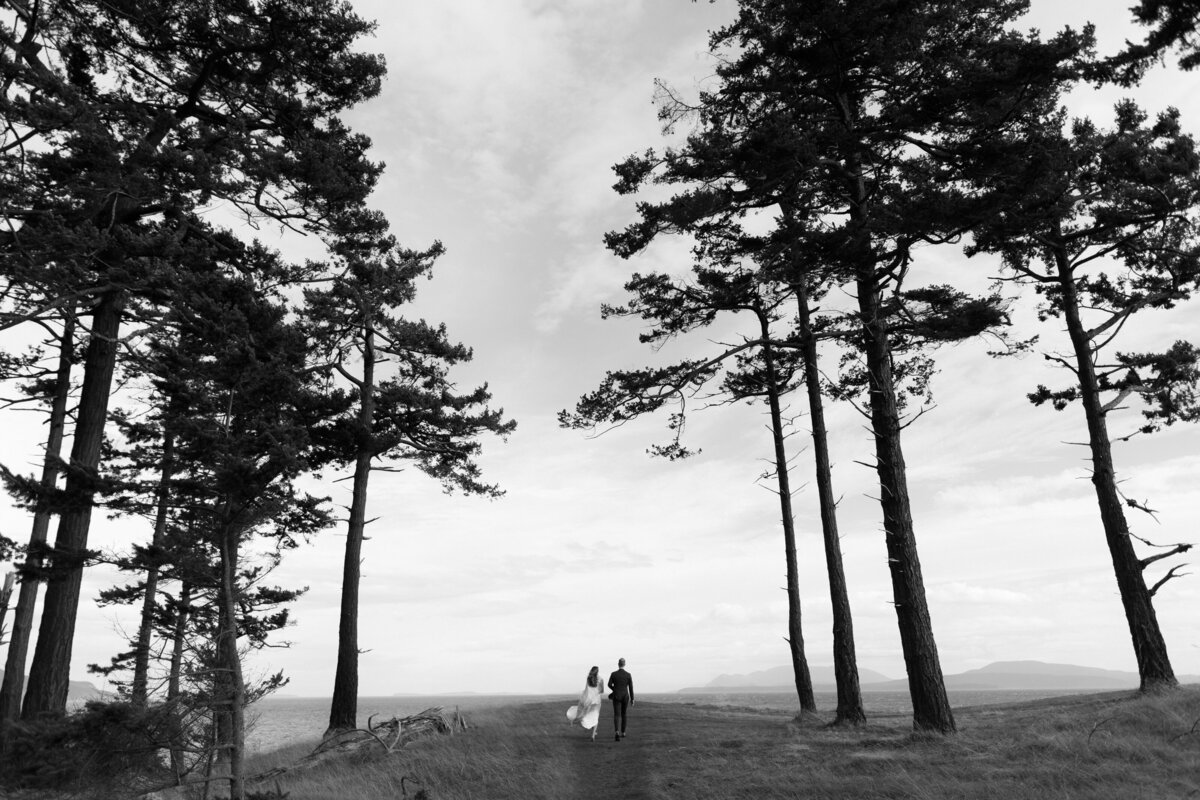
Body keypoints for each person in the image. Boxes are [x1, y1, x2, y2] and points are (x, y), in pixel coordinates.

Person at [566, 665, 604, 741]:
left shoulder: (588, 678)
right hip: (596, 701)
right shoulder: (600, 679)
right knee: (595, 716)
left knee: (583, 713)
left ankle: (574, 720)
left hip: (587, 699)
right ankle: (593, 735)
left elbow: (586, 689)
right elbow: (602, 690)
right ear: (598, 672)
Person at [607, 657, 634, 741]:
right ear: (624, 664)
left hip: (616, 696)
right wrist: (632, 699)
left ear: (618, 664)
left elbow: (609, 684)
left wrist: (615, 689)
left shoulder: (613, 674)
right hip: (625, 696)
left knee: (616, 715)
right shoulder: (628, 675)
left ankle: (617, 732)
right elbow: (631, 688)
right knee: (624, 714)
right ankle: (623, 732)